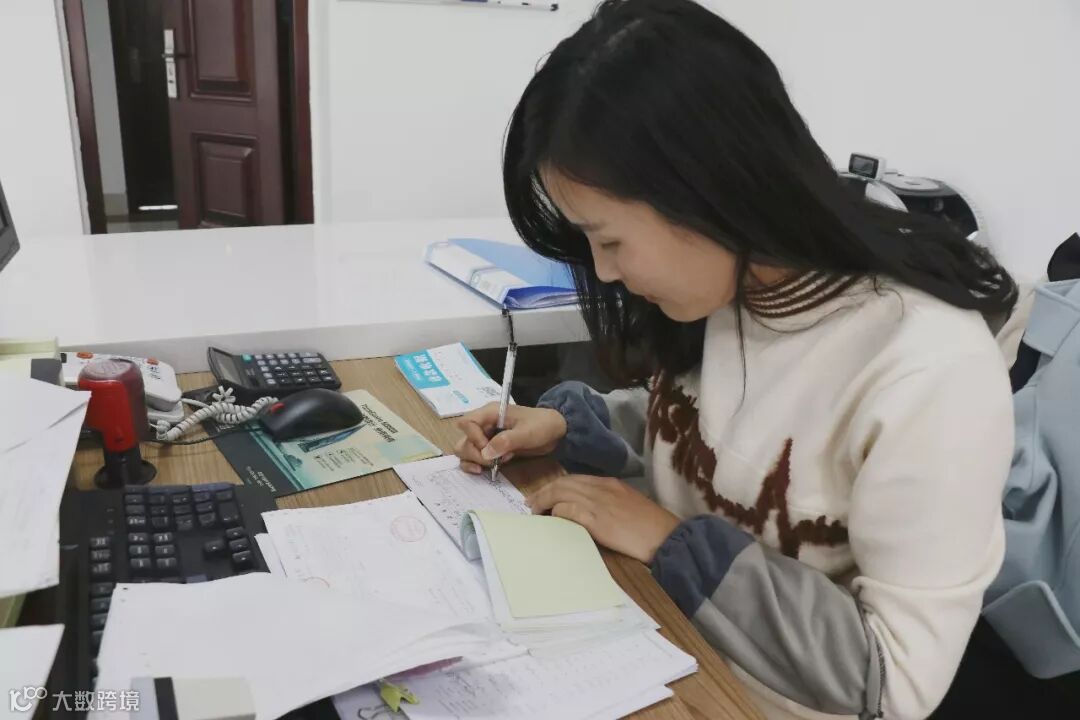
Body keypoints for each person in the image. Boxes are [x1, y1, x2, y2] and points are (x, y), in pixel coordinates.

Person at [454, 1, 1018, 718]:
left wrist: (673, 544)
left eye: (610, 240)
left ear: (706, 192)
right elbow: (712, 438)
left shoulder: (929, 372)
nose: (603, 271)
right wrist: (571, 428)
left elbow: (893, 684)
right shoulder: (731, 286)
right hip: (658, 641)